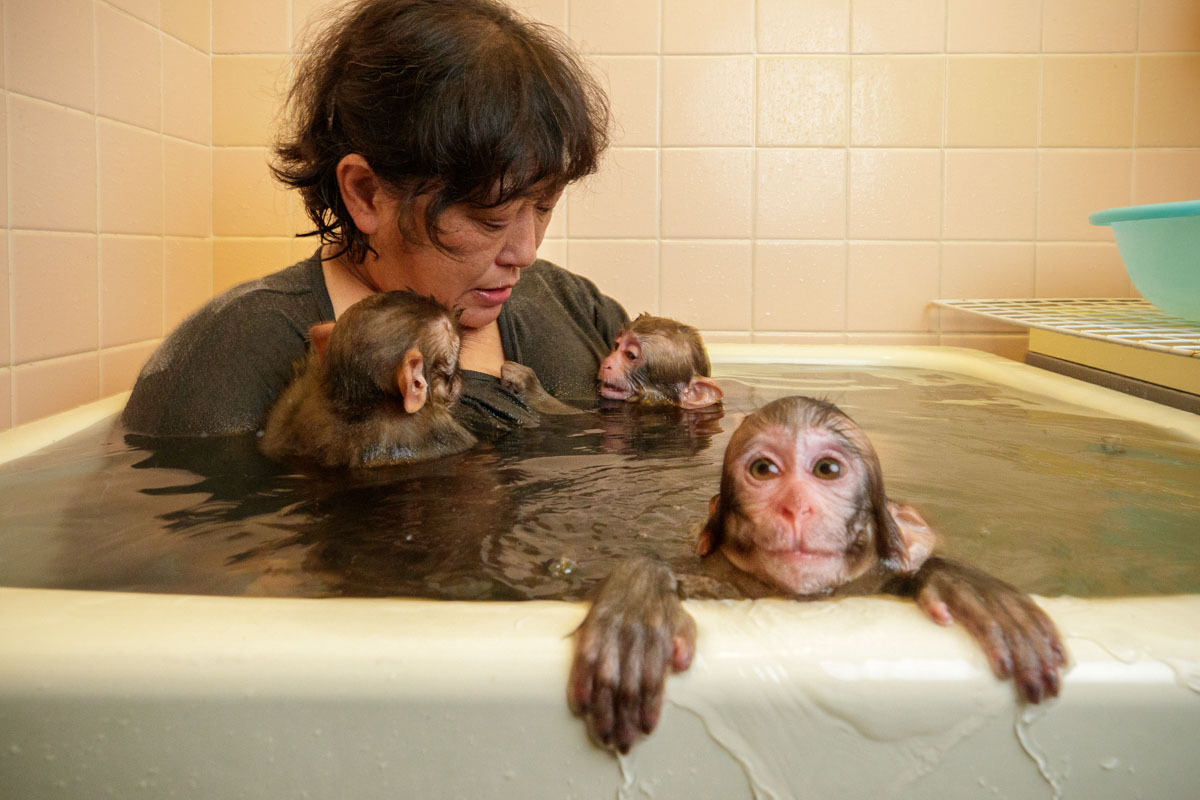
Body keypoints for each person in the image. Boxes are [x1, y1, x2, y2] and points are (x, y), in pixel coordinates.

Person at [123, 0, 625, 437]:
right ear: (365, 193)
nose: (527, 251)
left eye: (543, 205)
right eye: (487, 216)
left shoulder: (578, 310)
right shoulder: (227, 364)